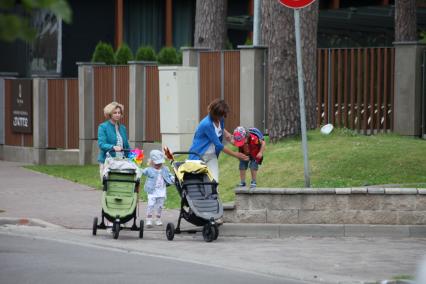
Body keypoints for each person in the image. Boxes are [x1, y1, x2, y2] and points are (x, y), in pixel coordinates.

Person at [188, 99, 248, 182]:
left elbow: (221, 129)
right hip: (199, 156)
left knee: (214, 182)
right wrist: (235, 154)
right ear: (215, 114)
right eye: (222, 115)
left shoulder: (220, 119)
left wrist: (228, 135)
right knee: (200, 184)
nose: (224, 117)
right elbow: (219, 145)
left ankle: (214, 195)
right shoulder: (206, 124)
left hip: (212, 156)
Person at [97, 102, 130, 181]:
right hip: (107, 161)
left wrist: (135, 155)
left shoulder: (122, 128)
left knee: (121, 185)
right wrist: (112, 147)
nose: (118, 114)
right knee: (108, 187)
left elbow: (126, 146)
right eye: (115, 113)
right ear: (110, 114)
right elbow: (101, 144)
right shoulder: (103, 127)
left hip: (122, 161)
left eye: (119, 113)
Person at [141, 149, 175, 227]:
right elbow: (142, 171)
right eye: (156, 163)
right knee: (151, 205)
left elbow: (170, 175)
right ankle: (149, 219)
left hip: (161, 191)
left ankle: (158, 218)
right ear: (151, 162)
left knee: (160, 206)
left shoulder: (165, 169)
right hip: (152, 191)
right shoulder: (149, 170)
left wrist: (172, 178)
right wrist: (137, 168)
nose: (158, 165)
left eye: (160, 163)